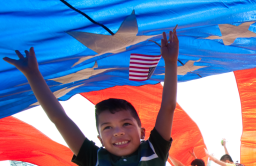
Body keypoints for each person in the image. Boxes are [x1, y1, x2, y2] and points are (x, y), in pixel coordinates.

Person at [2, 30, 179, 165]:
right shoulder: (93, 158)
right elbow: (59, 119)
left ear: (142, 132)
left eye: (126, 123)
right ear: (100, 139)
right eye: (107, 127)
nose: (118, 131)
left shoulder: (154, 149)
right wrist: (33, 75)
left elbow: (168, 107)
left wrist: (171, 63)